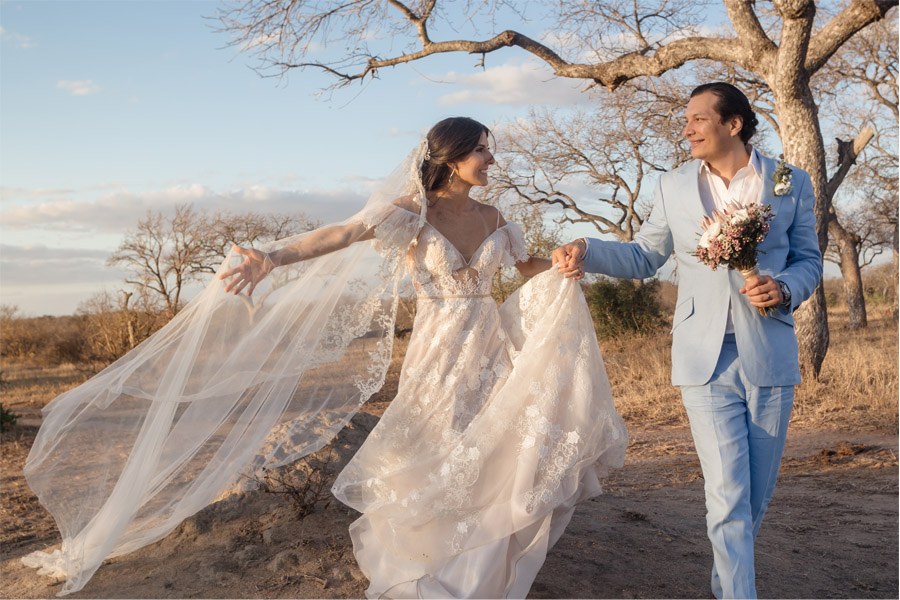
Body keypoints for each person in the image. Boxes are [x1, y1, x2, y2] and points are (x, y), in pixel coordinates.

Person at [23, 117, 627, 599]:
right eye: (483, 151)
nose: (492, 160)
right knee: (435, 440)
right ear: (452, 156)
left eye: (490, 152)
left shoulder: (497, 218)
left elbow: (525, 269)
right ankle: (429, 558)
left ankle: (478, 559)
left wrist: (563, 263)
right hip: (438, 346)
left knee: (487, 445)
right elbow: (339, 234)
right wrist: (272, 257)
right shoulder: (413, 213)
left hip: (488, 343)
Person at [553, 82, 823, 599]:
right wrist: (587, 248)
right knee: (726, 496)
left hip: (769, 352)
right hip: (705, 359)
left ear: (733, 124)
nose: (687, 128)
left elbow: (808, 258)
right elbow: (644, 256)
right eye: (687, 120)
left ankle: (728, 586)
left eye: (698, 119)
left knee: (753, 499)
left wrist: (785, 286)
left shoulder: (790, 180)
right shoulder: (672, 185)